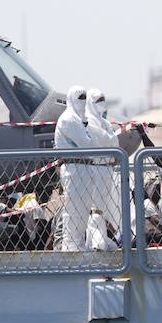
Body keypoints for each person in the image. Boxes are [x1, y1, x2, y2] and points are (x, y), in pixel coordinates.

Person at [54, 85, 97, 251]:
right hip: (74, 168)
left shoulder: (79, 119)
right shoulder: (69, 119)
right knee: (74, 209)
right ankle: (71, 246)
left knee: (83, 209)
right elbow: (87, 144)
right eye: (80, 98)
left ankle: (77, 244)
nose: (83, 101)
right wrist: (88, 133)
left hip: (82, 168)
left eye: (85, 98)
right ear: (71, 98)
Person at [85, 88, 121, 237]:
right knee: (96, 206)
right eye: (98, 101)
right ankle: (95, 238)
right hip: (95, 168)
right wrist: (109, 138)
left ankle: (105, 236)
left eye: (102, 100)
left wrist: (109, 138)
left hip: (107, 167)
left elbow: (114, 142)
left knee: (106, 205)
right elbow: (104, 139)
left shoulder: (104, 121)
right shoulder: (88, 120)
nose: (101, 103)